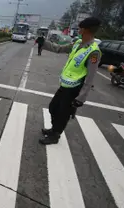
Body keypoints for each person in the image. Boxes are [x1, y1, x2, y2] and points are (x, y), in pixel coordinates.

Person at [38, 17, 102, 145]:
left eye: (80, 28)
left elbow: (90, 77)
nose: (78, 30)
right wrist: (43, 42)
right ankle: (54, 129)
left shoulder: (94, 52)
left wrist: (81, 97)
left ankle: (55, 135)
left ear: (85, 30)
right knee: (53, 107)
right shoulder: (77, 43)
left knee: (63, 113)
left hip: (75, 89)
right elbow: (59, 48)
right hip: (65, 85)